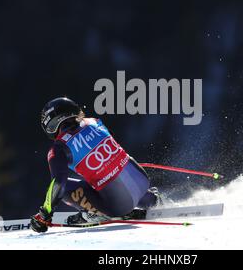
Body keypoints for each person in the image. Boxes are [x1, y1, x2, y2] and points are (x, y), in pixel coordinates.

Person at [30, 97, 160, 233]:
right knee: (110, 168)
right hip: (142, 181)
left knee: (63, 187)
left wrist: (45, 214)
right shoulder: (94, 122)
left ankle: (95, 214)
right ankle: (150, 199)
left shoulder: (58, 149)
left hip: (120, 205)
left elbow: (58, 184)